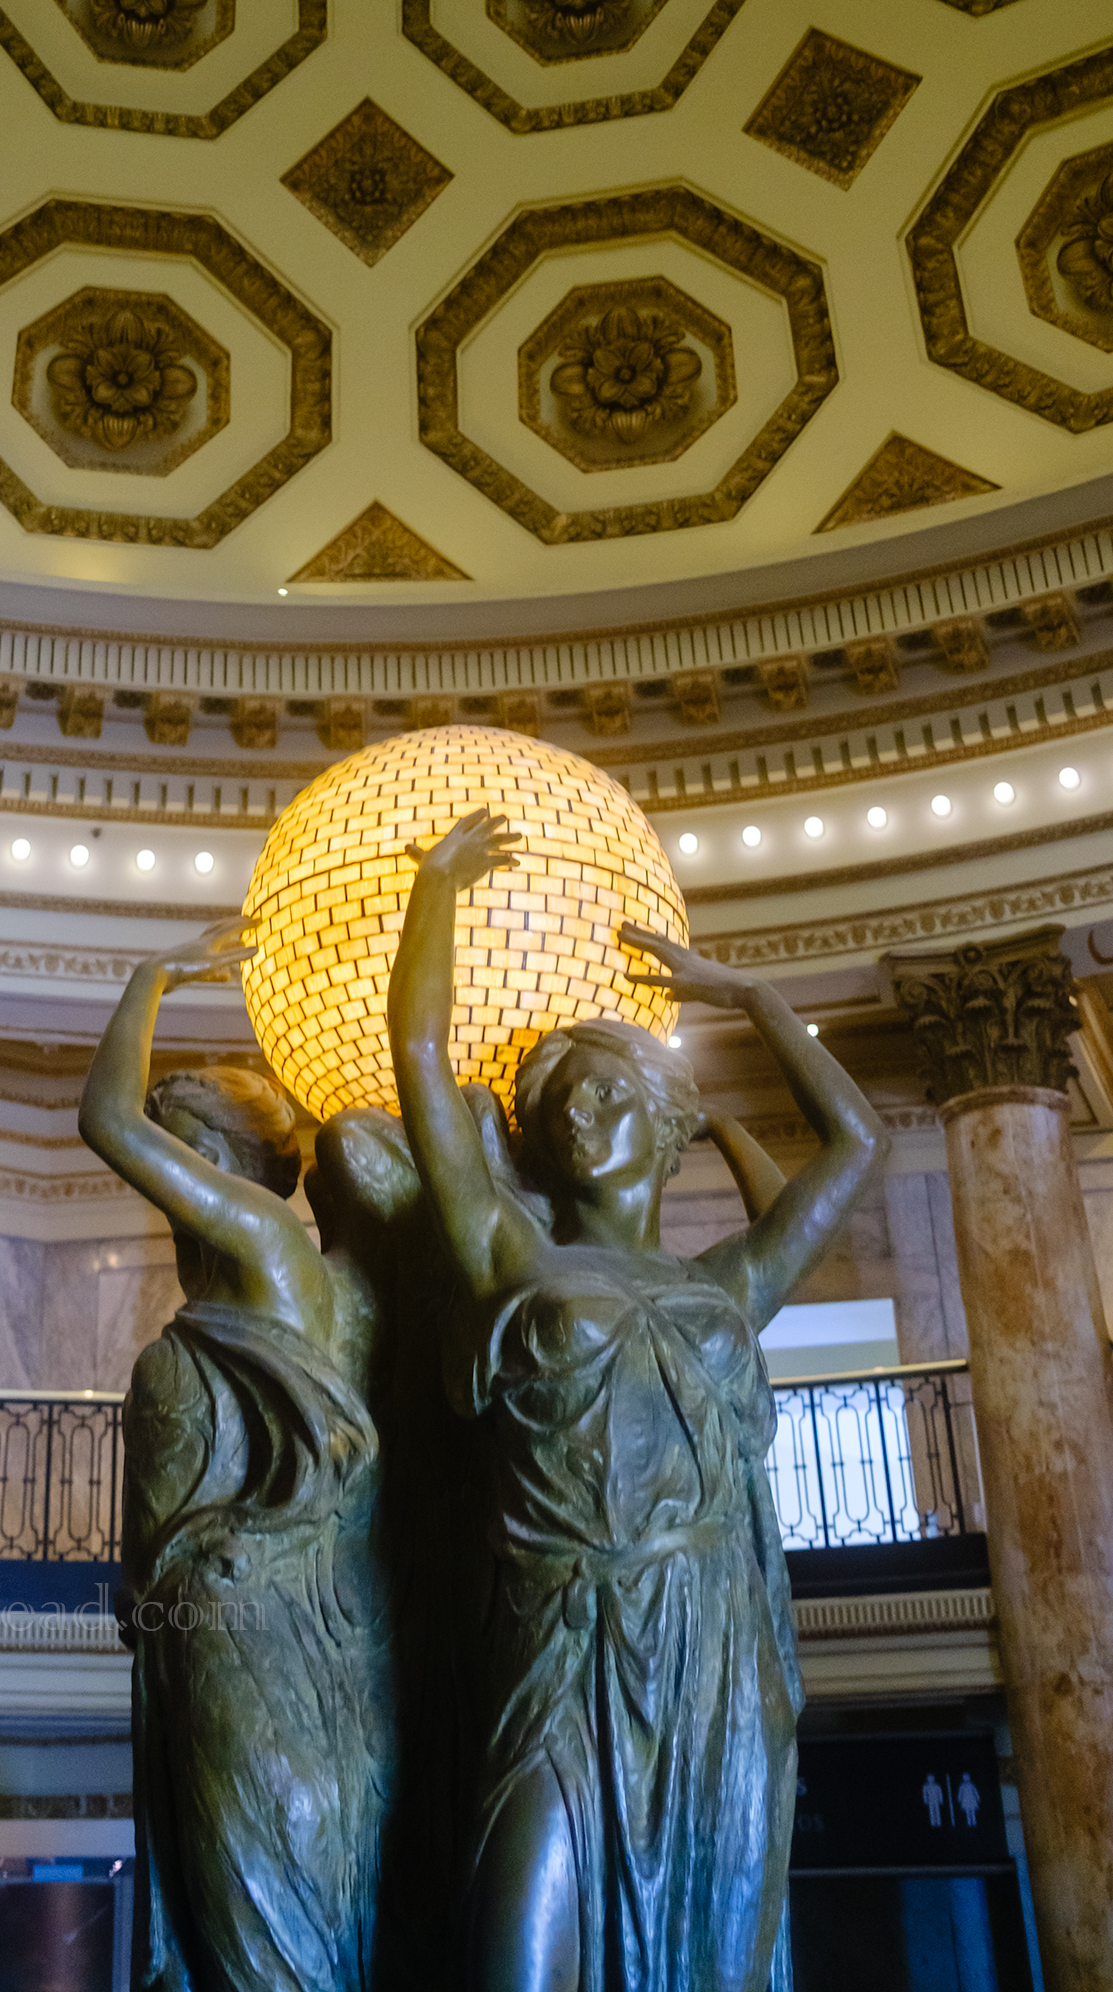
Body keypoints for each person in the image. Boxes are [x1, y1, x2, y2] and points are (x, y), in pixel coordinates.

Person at [387, 809, 888, 1992]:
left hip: (708, 1637)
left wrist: (748, 998)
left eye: (608, 1094)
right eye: (560, 1104)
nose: (576, 1113)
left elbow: (856, 1145)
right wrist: (434, 889)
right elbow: (419, 1058)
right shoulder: (513, 1256)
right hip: (560, 1635)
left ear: (666, 1131)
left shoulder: (726, 1286)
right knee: (514, 1954)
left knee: (707, 1954)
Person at [79, 919, 397, 1992]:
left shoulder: (274, 1255)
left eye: (182, 1151)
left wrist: (149, 978)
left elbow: (104, 1120)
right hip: (202, 1641)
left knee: (265, 1917)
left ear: (227, 1167)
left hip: (260, 1633)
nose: (165, 1176)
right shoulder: (238, 1297)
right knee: (223, 1925)